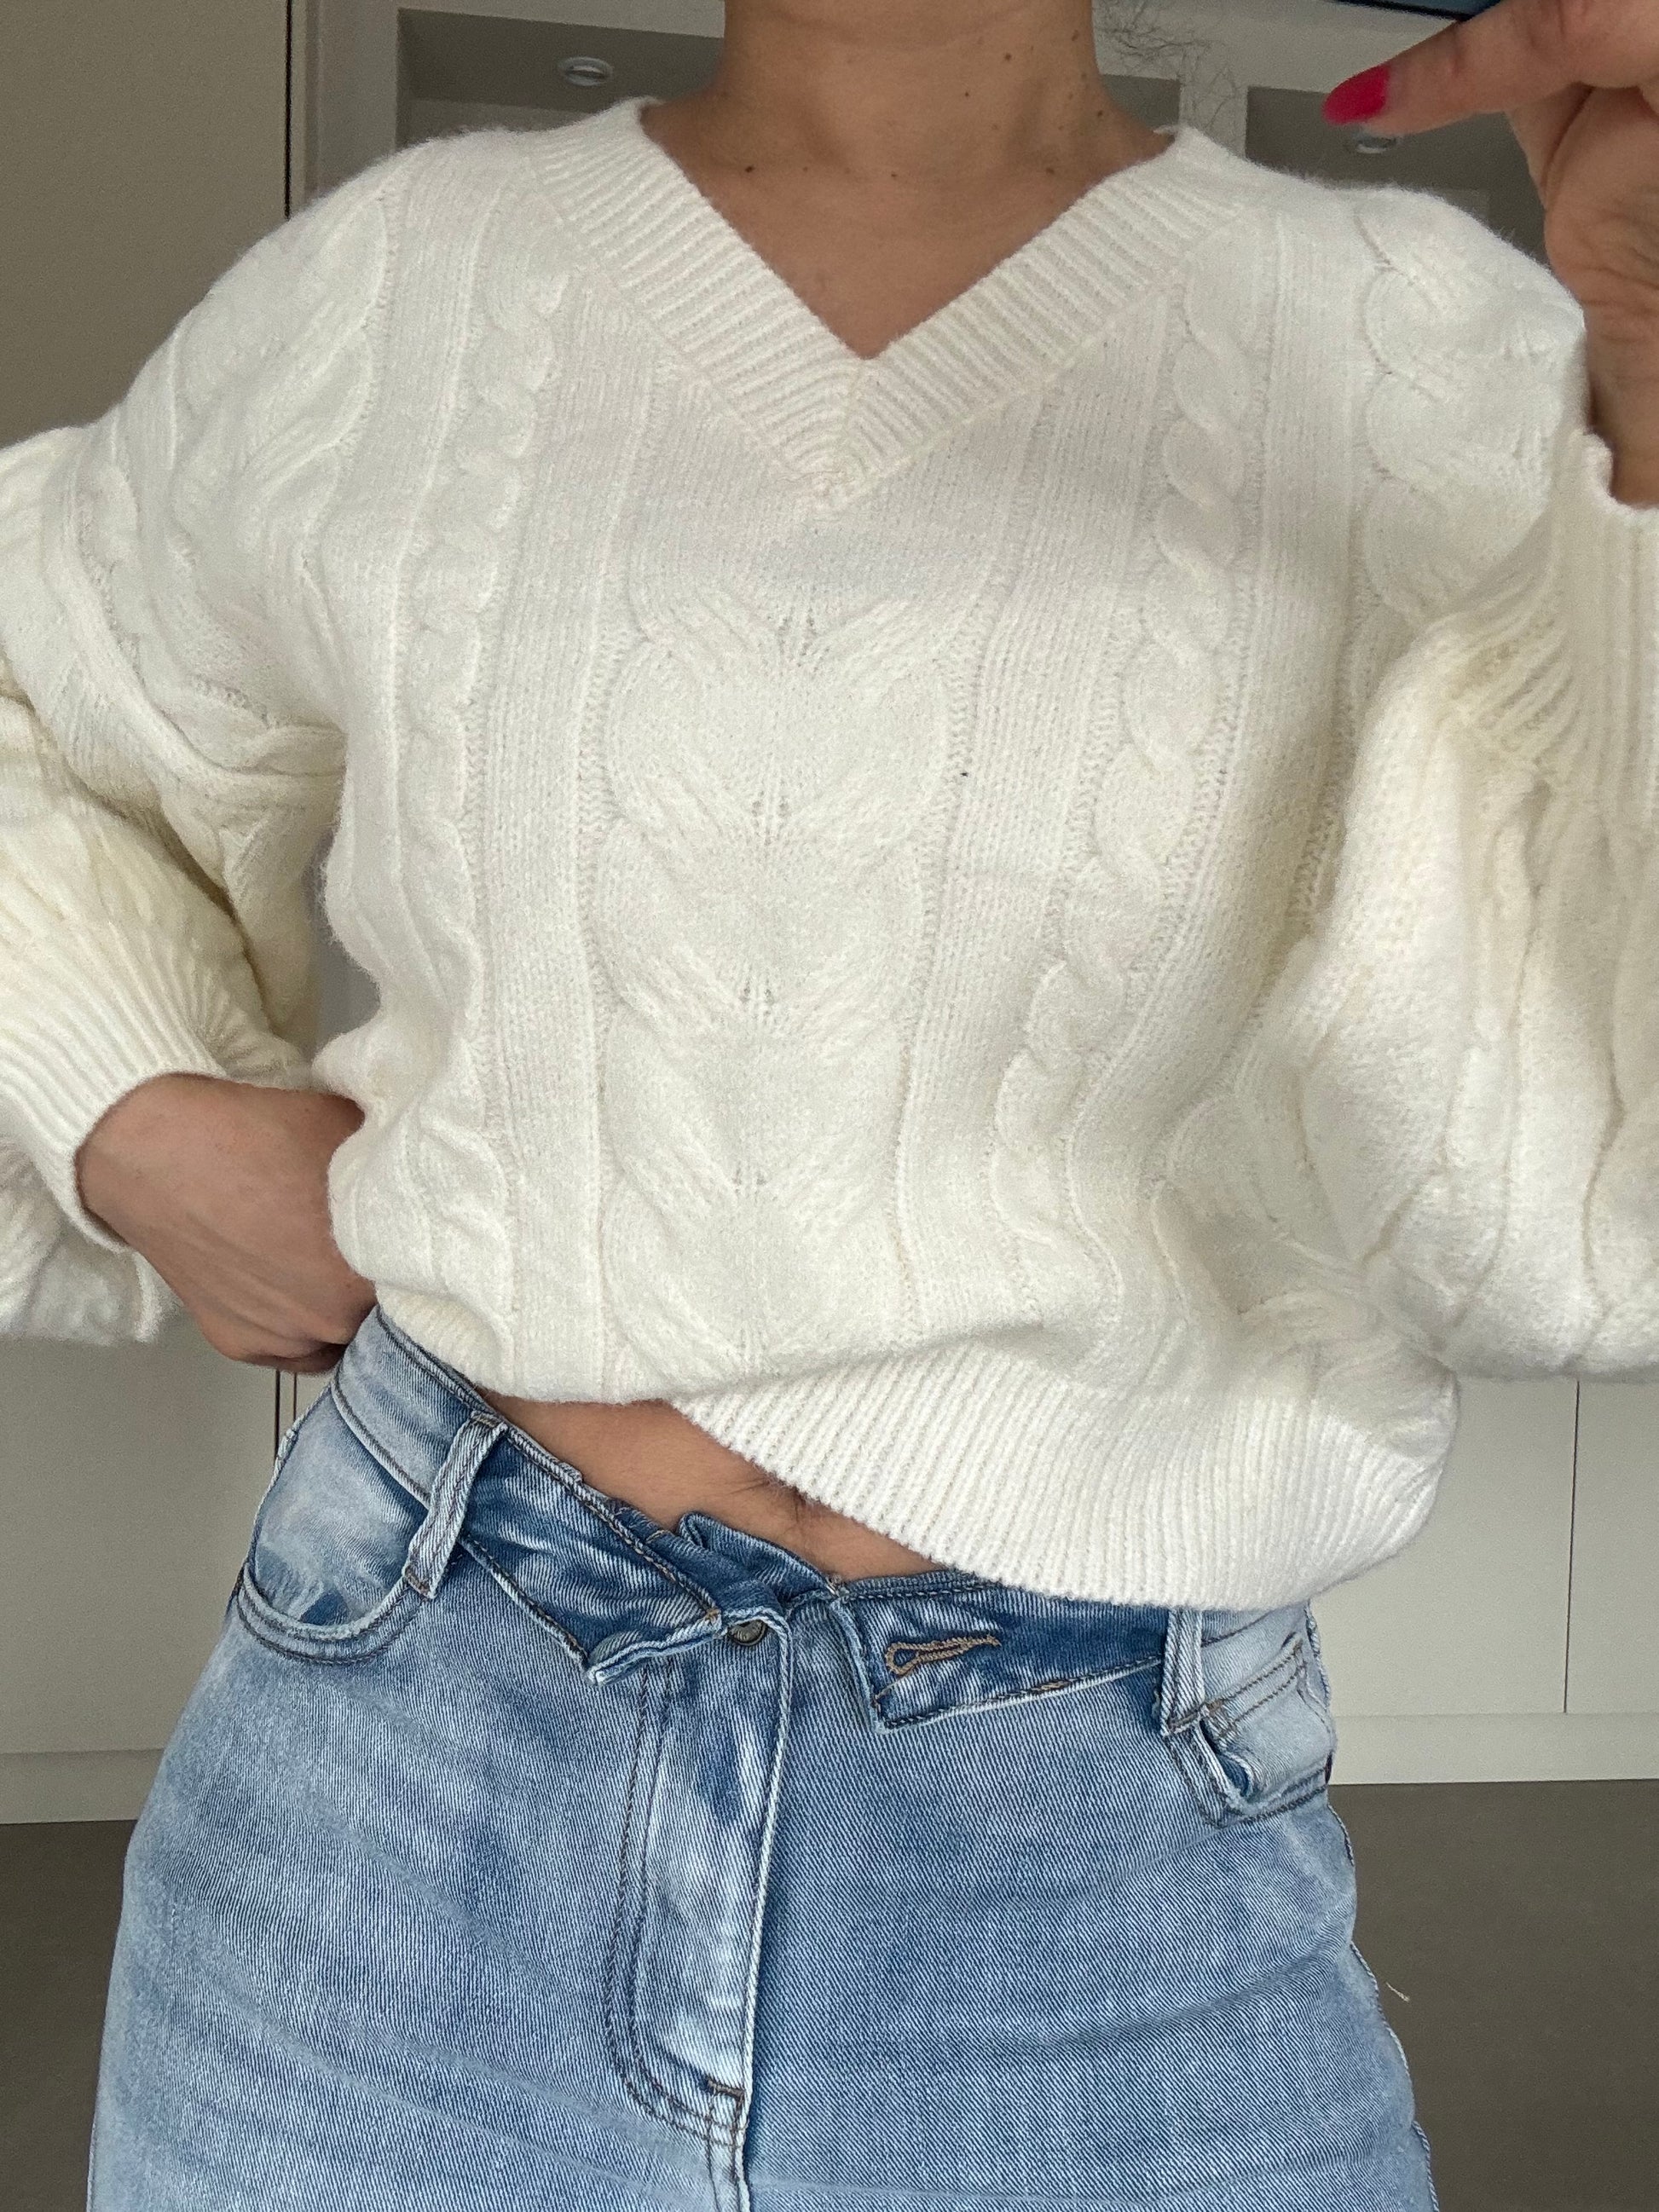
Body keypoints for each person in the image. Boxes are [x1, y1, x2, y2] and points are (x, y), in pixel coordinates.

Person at [2, 0, 1654, 2204]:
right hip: (403, 1767)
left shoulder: (1430, 344)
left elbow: (1587, 1220)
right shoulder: (407, 284)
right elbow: (33, 701)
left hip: (1104, 1839)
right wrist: (123, 1102)